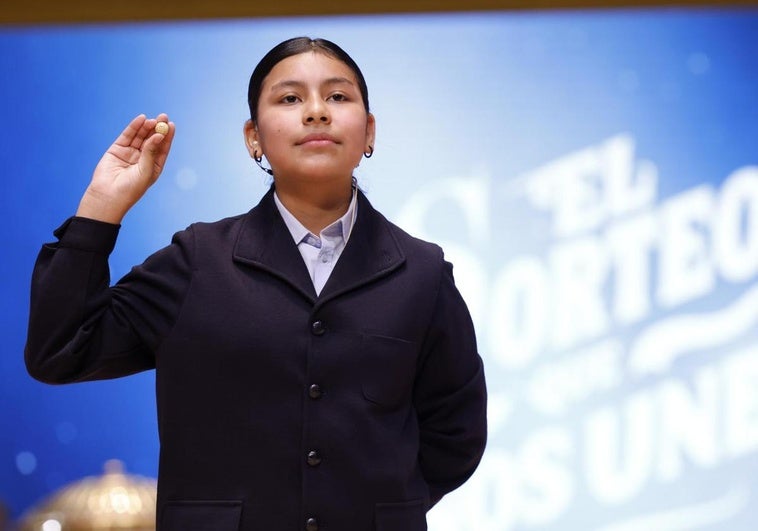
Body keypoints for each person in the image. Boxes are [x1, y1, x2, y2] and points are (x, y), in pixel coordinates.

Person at [25, 37, 487, 531]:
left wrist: (380, 506)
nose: (315, 112)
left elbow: (455, 435)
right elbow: (61, 349)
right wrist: (102, 205)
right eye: (290, 99)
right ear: (253, 137)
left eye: (337, 97)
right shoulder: (197, 260)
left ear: (369, 131)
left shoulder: (422, 271)